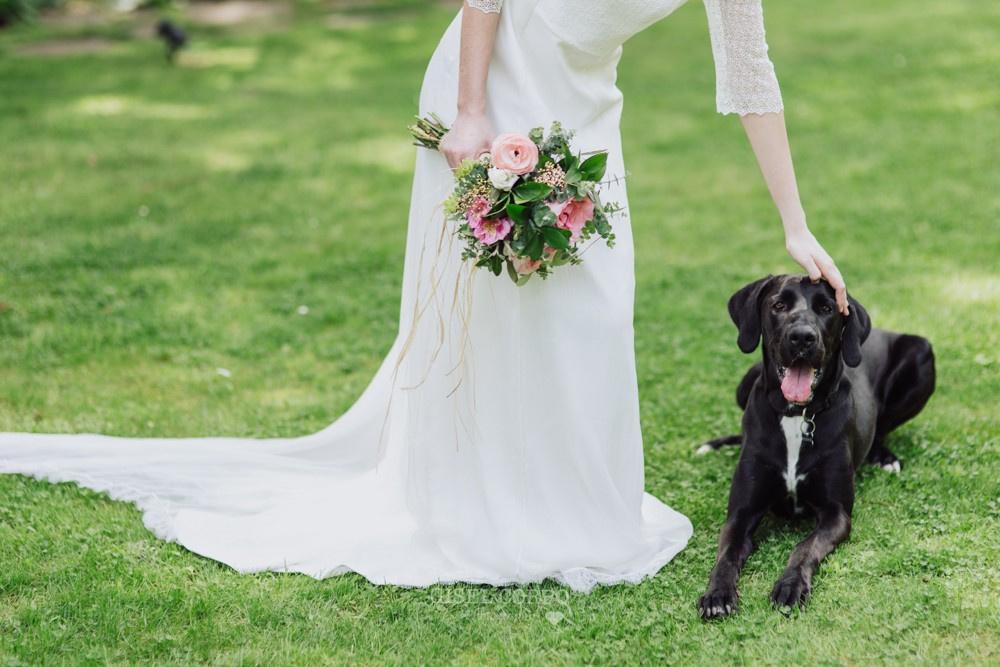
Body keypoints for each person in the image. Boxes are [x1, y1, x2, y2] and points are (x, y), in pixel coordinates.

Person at [0, 0, 847, 592]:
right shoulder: (475, 104)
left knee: (594, 311)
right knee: (503, 318)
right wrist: (470, 113)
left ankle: (574, 510)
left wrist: (794, 223)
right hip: (491, 87)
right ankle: (481, 507)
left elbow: (748, 72)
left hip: (585, 114)